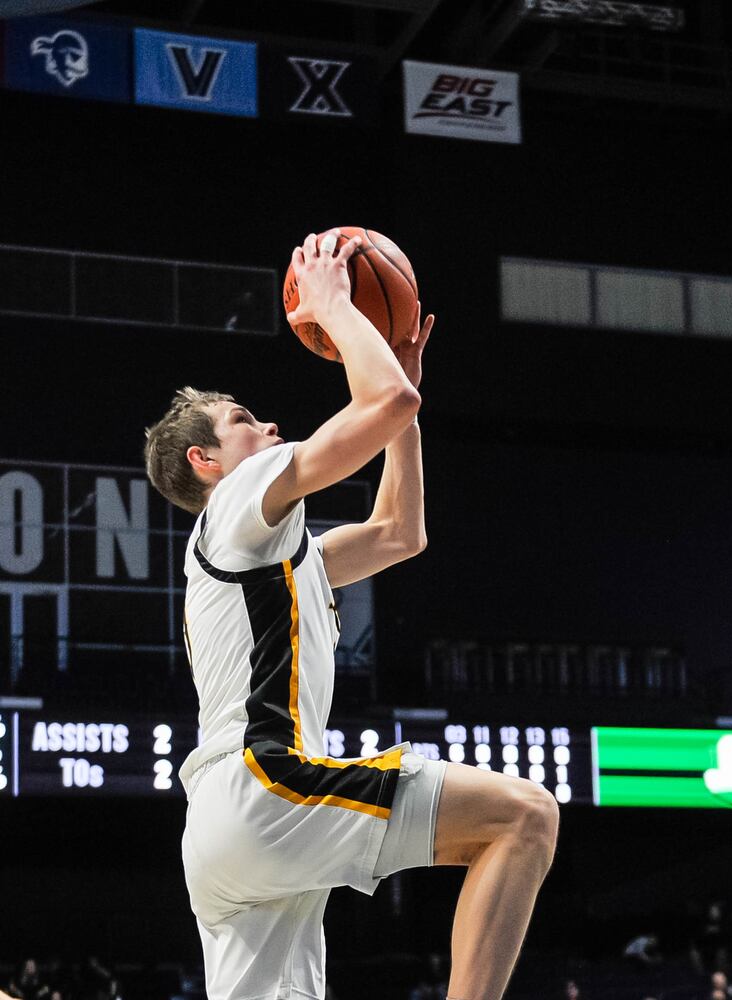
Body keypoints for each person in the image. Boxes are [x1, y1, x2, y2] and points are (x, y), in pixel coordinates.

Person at [144, 230, 559, 1000]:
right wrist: (335, 307)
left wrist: (404, 401)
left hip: (221, 833)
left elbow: (402, 532)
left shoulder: (266, 557)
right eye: (245, 421)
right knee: (523, 817)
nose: (268, 429)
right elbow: (386, 401)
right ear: (206, 462)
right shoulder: (237, 501)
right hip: (266, 788)